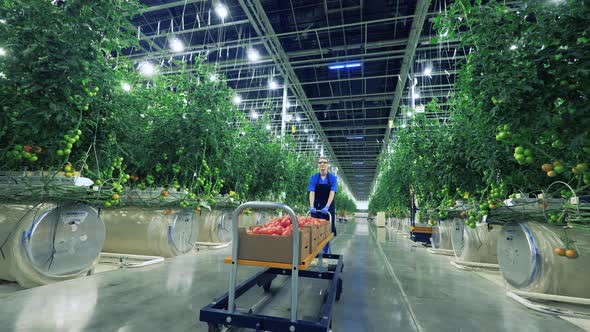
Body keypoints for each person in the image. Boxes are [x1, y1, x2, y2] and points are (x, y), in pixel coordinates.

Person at [308, 156, 337, 253]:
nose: (322, 164)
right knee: (314, 229)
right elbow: (312, 192)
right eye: (320, 162)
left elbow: (332, 192)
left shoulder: (333, 178)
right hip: (316, 207)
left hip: (328, 207)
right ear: (318, 165)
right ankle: (314, 251)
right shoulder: (314, 178)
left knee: (327, 230)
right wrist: (312, 206)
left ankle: (326, 251)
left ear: (328, 165)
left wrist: (327, 206)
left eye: (324, 162)